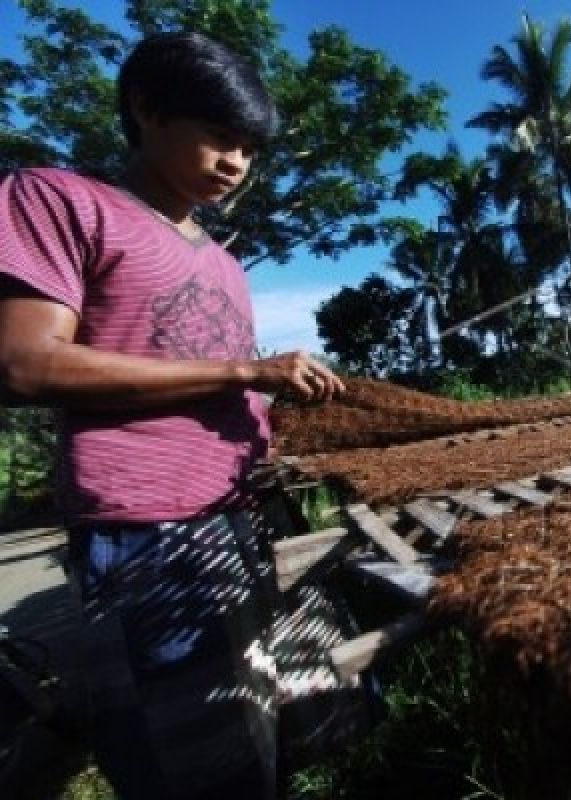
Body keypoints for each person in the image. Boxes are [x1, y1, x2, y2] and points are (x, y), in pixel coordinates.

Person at [0, 31, 345, 799]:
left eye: (250, 149)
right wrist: (246, 370)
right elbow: (24, 364)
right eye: (220, 137)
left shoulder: (223, 261)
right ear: (148, 110)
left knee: (268, 735)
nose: (237, 164)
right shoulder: (60, 200)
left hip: (244, 517)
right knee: (195, 771)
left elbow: (221, 389)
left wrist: (281, 404)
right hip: (147, 531)